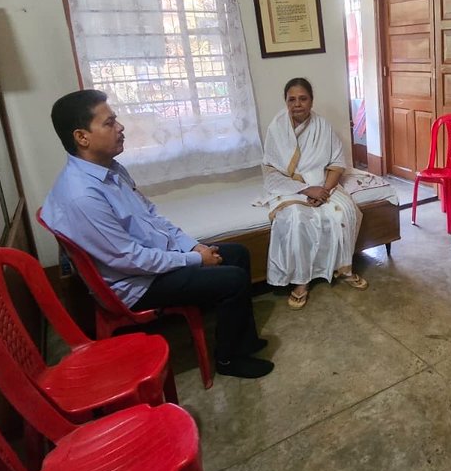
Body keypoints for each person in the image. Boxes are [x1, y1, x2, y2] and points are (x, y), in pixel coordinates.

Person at [41, 89, 273, 379]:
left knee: (237, 253)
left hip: (149, 261)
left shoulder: (111, 169)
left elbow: (151, 216)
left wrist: (193, 246)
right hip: (136, 284)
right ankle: (229, 360)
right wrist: (194, 260)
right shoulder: (83, 195)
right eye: (109, 123)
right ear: (82, 137)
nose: (121, 127)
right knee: (234, 279)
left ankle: (244, 340)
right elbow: (130, 260)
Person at [260, 78, 368, 309]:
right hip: (289, 185)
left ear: (311, 100)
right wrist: (306, 189)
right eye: (292, 99)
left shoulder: (323, 126)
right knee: (296, 218)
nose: (297, 104)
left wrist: (325, 191)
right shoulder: (276, 127)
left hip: (322, 183)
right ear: (285, 102)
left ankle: (344, 268)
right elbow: (271, 170)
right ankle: (301, 281)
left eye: (303, 98)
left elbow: (337, 162)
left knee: (345, 212)